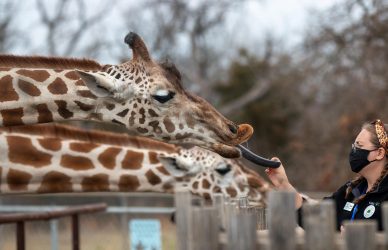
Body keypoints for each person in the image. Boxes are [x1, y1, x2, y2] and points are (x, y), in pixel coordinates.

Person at [265, 119, 388, 231]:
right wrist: (283, 184)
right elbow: (316, 217)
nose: (354, 151)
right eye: (354, 146)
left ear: (380, 153)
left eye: (359, 146)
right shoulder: (351, 190)